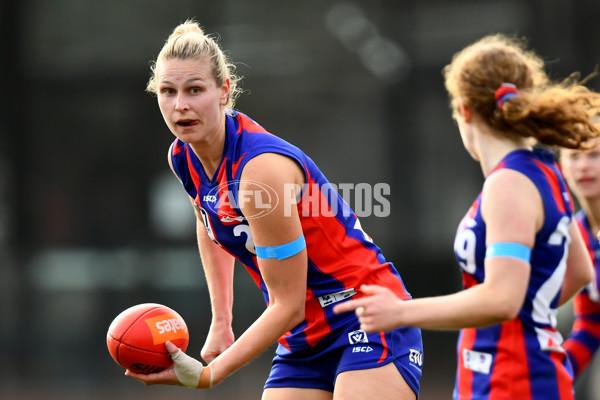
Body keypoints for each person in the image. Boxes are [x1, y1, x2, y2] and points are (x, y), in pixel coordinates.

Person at [125, 19, 423, 400]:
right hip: (303, 336)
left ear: (223, 91)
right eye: (168, 91)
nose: (180, 105)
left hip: (368, 316)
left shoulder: (258, 172)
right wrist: (221, 319)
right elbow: (210, 221)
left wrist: (209, 374)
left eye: (195, 89)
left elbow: (287, 304)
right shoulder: (183, 156)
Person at [334, 34, 600, 399]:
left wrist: (401, 312)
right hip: (509, 373)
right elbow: (579, 272)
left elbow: (502, 300)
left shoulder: (509, 183)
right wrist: (524, 317)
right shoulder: (545, 170)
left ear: (465, 109)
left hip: (513, 379)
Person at [559, 140, 600, 379]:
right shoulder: (576, 233)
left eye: (594, 155)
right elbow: (591, 323)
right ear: (562, 166)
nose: (583, 166)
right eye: (574, 157)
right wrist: (554, 374)